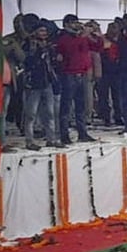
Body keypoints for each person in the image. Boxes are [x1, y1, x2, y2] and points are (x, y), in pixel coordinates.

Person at [55, 14, 102, 144]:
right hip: (69, 74)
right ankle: (64, 134)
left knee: (81, 106)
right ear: (66, 25)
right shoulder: (63, 37)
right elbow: (70, 49)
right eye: (73, 23)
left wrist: (97, 35)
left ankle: (82, 133)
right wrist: (83, 36)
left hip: (82, 73)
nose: (76, 25)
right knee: (66, 106)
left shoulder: (81, 37)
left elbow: (97, 48)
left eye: (77, 22)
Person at [22, 24, 65, 150]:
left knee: (50, 113)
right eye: (41, 30)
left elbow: (53, 62)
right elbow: (26, 61)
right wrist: (37, 53)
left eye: (45, 30)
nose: (44, 33)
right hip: (34, 83)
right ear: (35, 32)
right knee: (31, 114)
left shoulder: (49, 45)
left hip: (48, 82)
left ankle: (51, 139)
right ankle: (29, 141)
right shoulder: (29, 44)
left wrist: (55, 57)